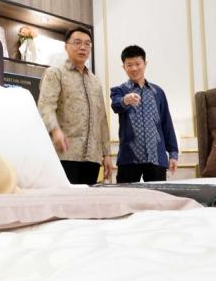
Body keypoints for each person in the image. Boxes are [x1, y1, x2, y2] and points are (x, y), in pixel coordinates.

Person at [37, 26, 112, 185]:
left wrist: (106, 154)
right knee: (64, 199)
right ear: (66, 46)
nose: (83, 47)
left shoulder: (95, 81)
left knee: (87, 199)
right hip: (65, 153)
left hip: (92, 158)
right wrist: (55, 130)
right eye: (77, 42)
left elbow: (102, 120)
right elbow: (45, 106)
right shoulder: (55, 73)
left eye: (87, 44)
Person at [110, 45, 178, 183]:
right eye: (129, 65)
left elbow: (166, 123)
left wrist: (173, 153)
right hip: (129, 158)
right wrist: (126, 100)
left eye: (138, 64)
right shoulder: (119, 91)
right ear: (124, 67)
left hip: (156, 157)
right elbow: (116, 105)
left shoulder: (158, 92)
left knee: (157, 196)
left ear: (145, 64)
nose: (134, 68)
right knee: (125, 195)